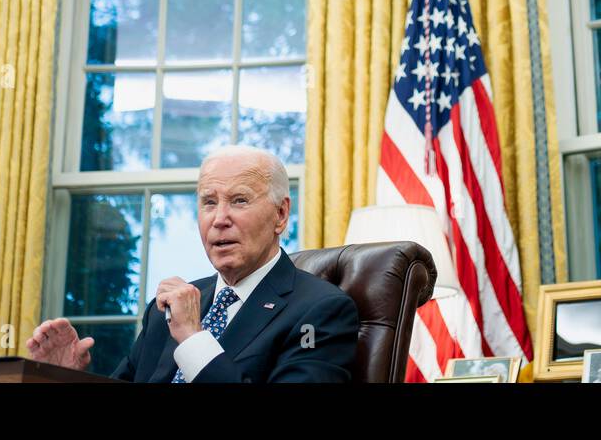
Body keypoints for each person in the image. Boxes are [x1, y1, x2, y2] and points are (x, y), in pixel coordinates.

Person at [26, 146, 360, 382]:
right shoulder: (165, 311)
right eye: (208, 202)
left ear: (281, 214)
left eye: (239, 200)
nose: (219, 219)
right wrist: (60, 378)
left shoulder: (321, 312)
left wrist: (192, 337)